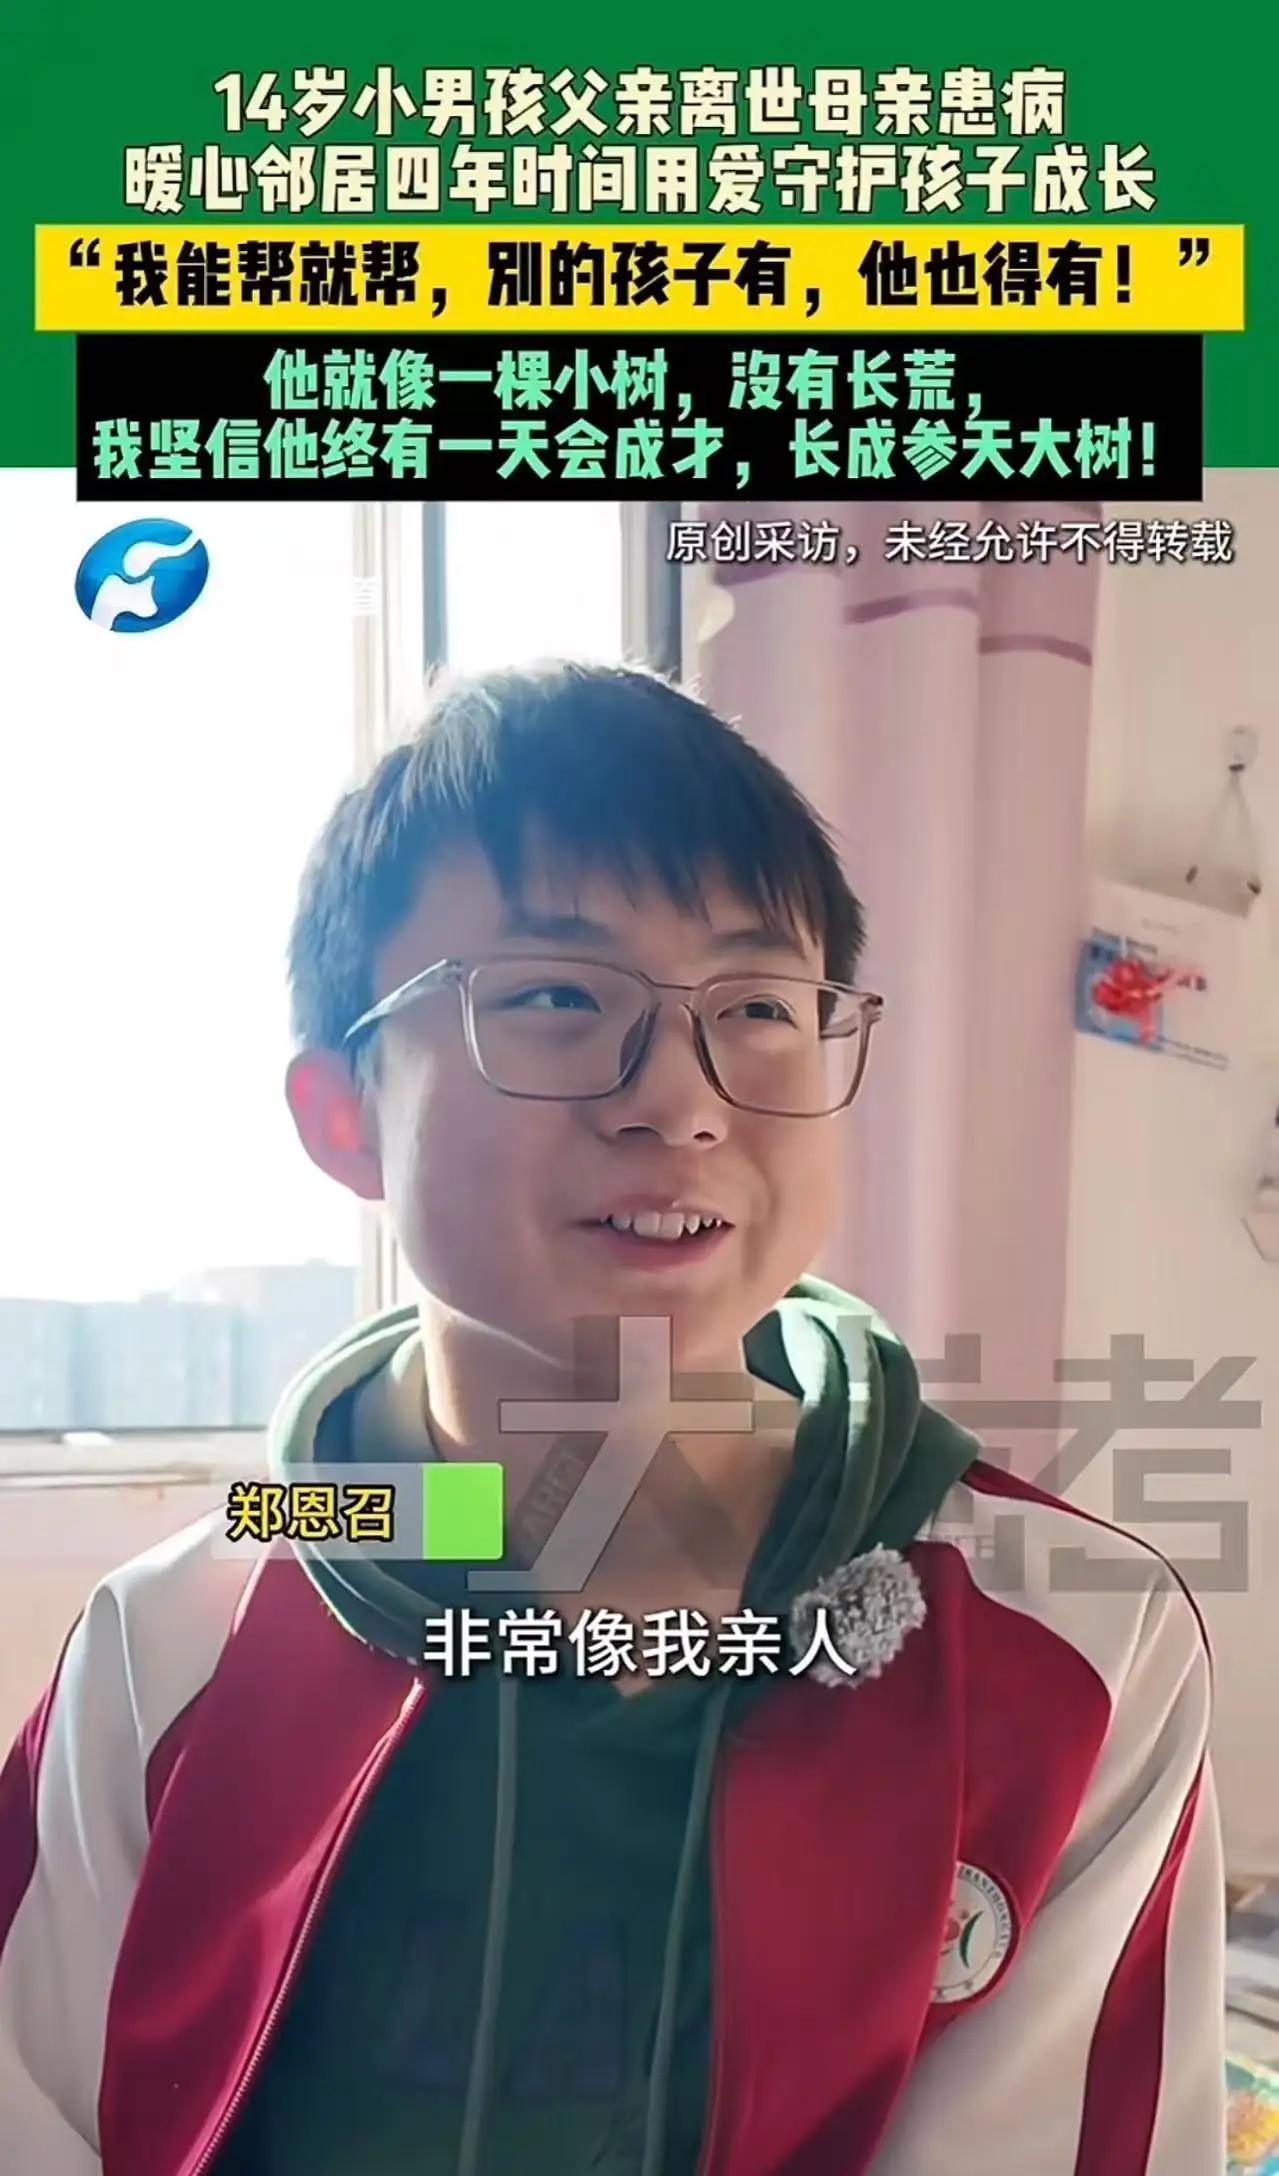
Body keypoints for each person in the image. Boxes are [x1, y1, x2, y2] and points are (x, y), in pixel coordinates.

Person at [0, 661, 1225, 2176]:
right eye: (557, 999)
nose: (681, 1102)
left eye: (759, 1007)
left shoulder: (1073, 1641)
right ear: (343, 1116)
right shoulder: (173, 1638)